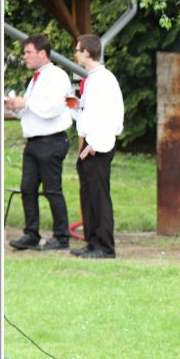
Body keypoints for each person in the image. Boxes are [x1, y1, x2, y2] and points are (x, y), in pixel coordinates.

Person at [4, 34, 73, 251]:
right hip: (34, 141)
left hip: (51, 140)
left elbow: (53, 108)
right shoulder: (36, 79)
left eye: (28, 52)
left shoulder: (57, 76)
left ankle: (61, 236)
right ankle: (31, 234)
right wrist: (15, 107)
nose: (25, 56)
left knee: (52, 189)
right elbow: (32, 110)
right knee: (27, 188)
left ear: (42, 53)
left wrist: (25, 103)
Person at [69, 33, 124, 259]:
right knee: (88, 195)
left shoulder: (104, 79)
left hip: (98, 144)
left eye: (77, 50)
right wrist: (77, 107)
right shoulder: (92, 79)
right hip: (89, 142)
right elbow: (91, 113)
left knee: (99, 196)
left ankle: (105, 246)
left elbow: (110, 115)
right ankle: (92, 242)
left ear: (86, 52)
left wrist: (96, 144)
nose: (75, 54)